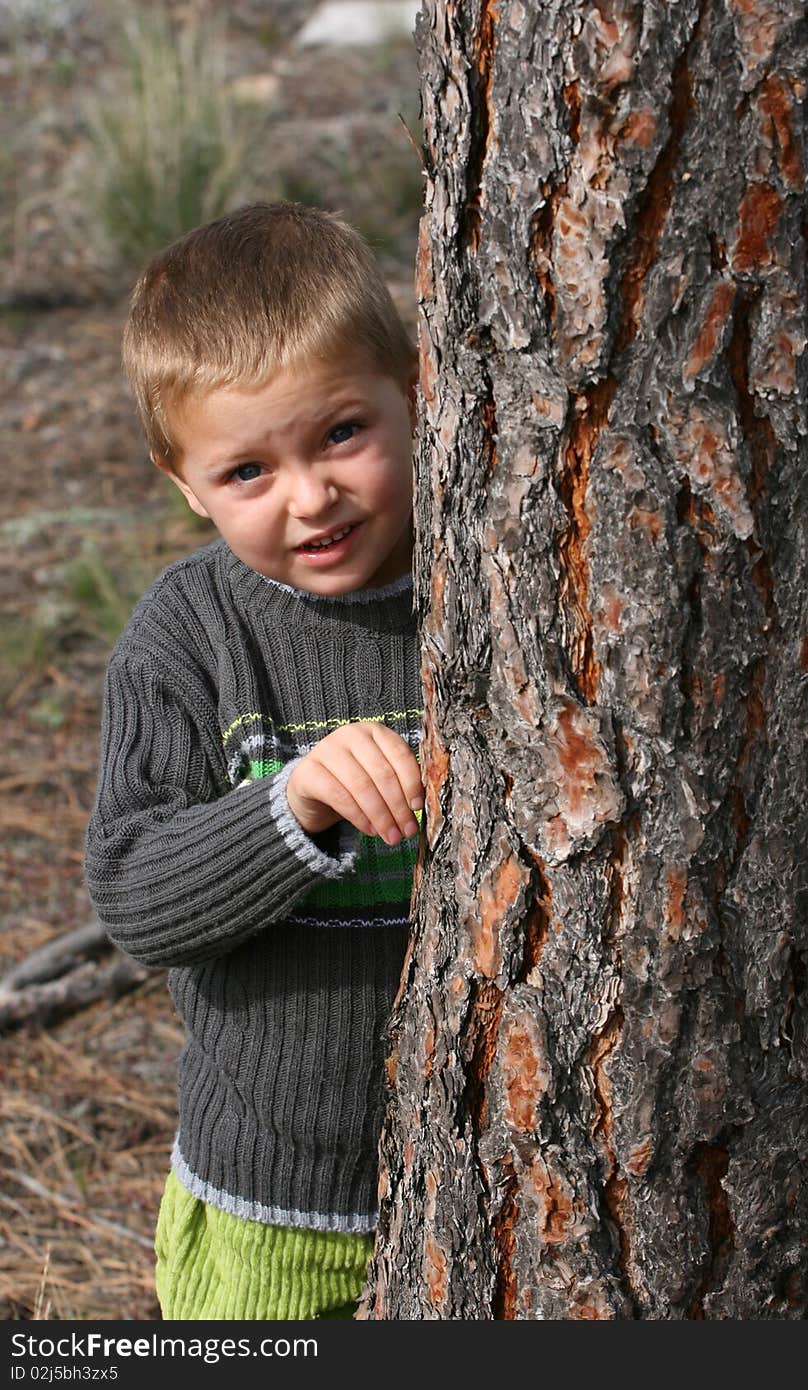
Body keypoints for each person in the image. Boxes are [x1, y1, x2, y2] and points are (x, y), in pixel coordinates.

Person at [84, 201, 425, 1320]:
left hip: (500, 1179)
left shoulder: (492, 577)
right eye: (246, 472)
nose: (309, 496)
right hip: (274, 1206)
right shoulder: (190, 633)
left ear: (417, 388)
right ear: (183, 481)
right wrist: (295, 803)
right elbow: (136, 892)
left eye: (340, 434)